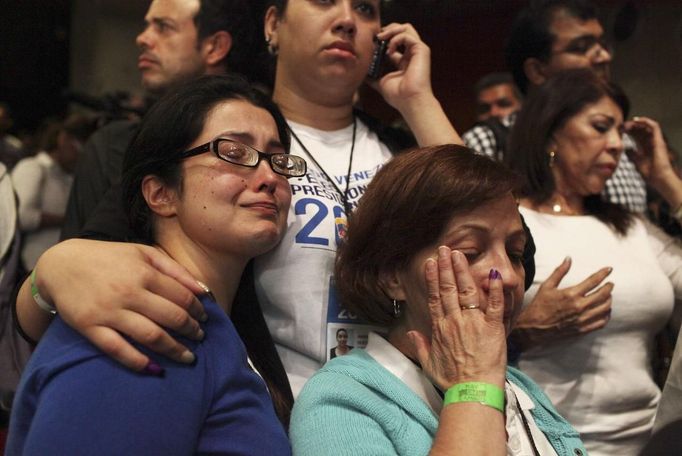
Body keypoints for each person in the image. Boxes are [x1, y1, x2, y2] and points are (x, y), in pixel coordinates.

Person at [13, 0, 464, 397]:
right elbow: (88, 265)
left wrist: (417, 100)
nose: (347, 20)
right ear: (273, 24)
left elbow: (505, 253)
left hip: (407, 406)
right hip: (272, 409)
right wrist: (52, 270)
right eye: (324, 1)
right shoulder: (209, 131)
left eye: (366, 9)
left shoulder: (403, 146)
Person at [7, 75, 298, 454]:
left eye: (278, 160)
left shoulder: (212, 327)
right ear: (161, 194)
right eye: (234, 152)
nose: (268, 177)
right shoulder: (138, 325)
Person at [291, 145, 586, 456]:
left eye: (515, 254)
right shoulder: (343, 400)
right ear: (392, 276)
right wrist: (474, 384)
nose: (508, 277)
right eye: (470, 252)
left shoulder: (521, 387)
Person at [505, 69, 682, 455]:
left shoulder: (631, 227)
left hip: (649, 441)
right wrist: (521, 330)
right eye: (601, 127)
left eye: (621, 132)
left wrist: (668, 183)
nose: (617, 144)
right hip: (543, 443)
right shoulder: (508, 222)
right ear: (552, 130)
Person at [61, 0, 256, 240]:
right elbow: (71, 261)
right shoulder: (112, 145)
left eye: (163, 27)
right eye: (147, 26)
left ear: (215, 46)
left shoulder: (267, 143)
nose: (142, 38)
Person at [463, 0, 646, 215]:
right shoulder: (489, 142)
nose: (603, 57)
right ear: (537, 71)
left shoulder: (625, 140)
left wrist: (663, 179)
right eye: (581, 48)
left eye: (602, 45)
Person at [11, 115, 95, 269]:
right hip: (25, 266)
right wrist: (68, 220)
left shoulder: (67, 177)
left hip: (50, 267)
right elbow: (22, 216)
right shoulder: (32, 167)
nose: (81, 156)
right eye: (79, 148)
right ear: (64, 139)